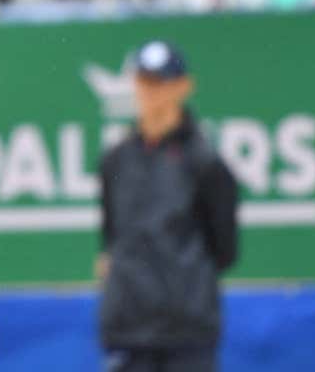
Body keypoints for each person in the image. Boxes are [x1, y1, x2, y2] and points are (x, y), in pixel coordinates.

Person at [98, 40, 239, 372]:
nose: (150, 92)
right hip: (129, 328)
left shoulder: (206, 163)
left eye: (160, 82)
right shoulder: (116, 160)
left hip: (187, 331)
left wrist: (180, 282)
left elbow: (225, 249)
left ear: (182, 87)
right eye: (143, 81)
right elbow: (110, 237)